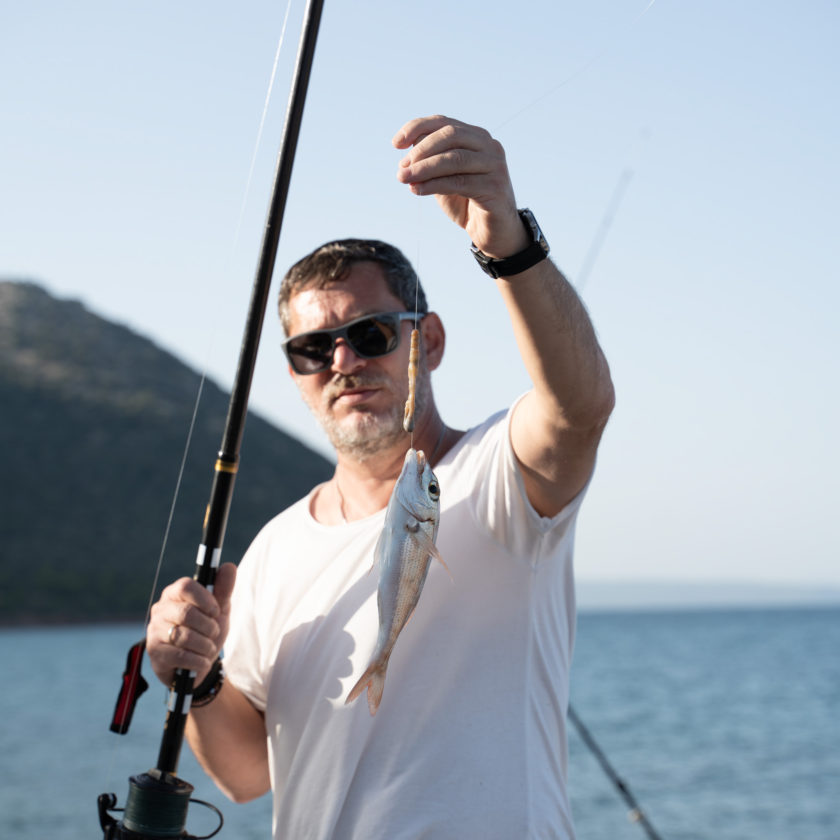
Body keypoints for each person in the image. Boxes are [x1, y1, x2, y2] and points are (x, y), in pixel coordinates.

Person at [146, 114, 615, 839]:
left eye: (370, 334)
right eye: (312, 349)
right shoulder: (274, 548)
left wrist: (509, 247)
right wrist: (199, 678)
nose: (343, 363)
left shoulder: (497, 474)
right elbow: (245, 776)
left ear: (429, 341)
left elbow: (579, 408)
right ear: (296, 373)